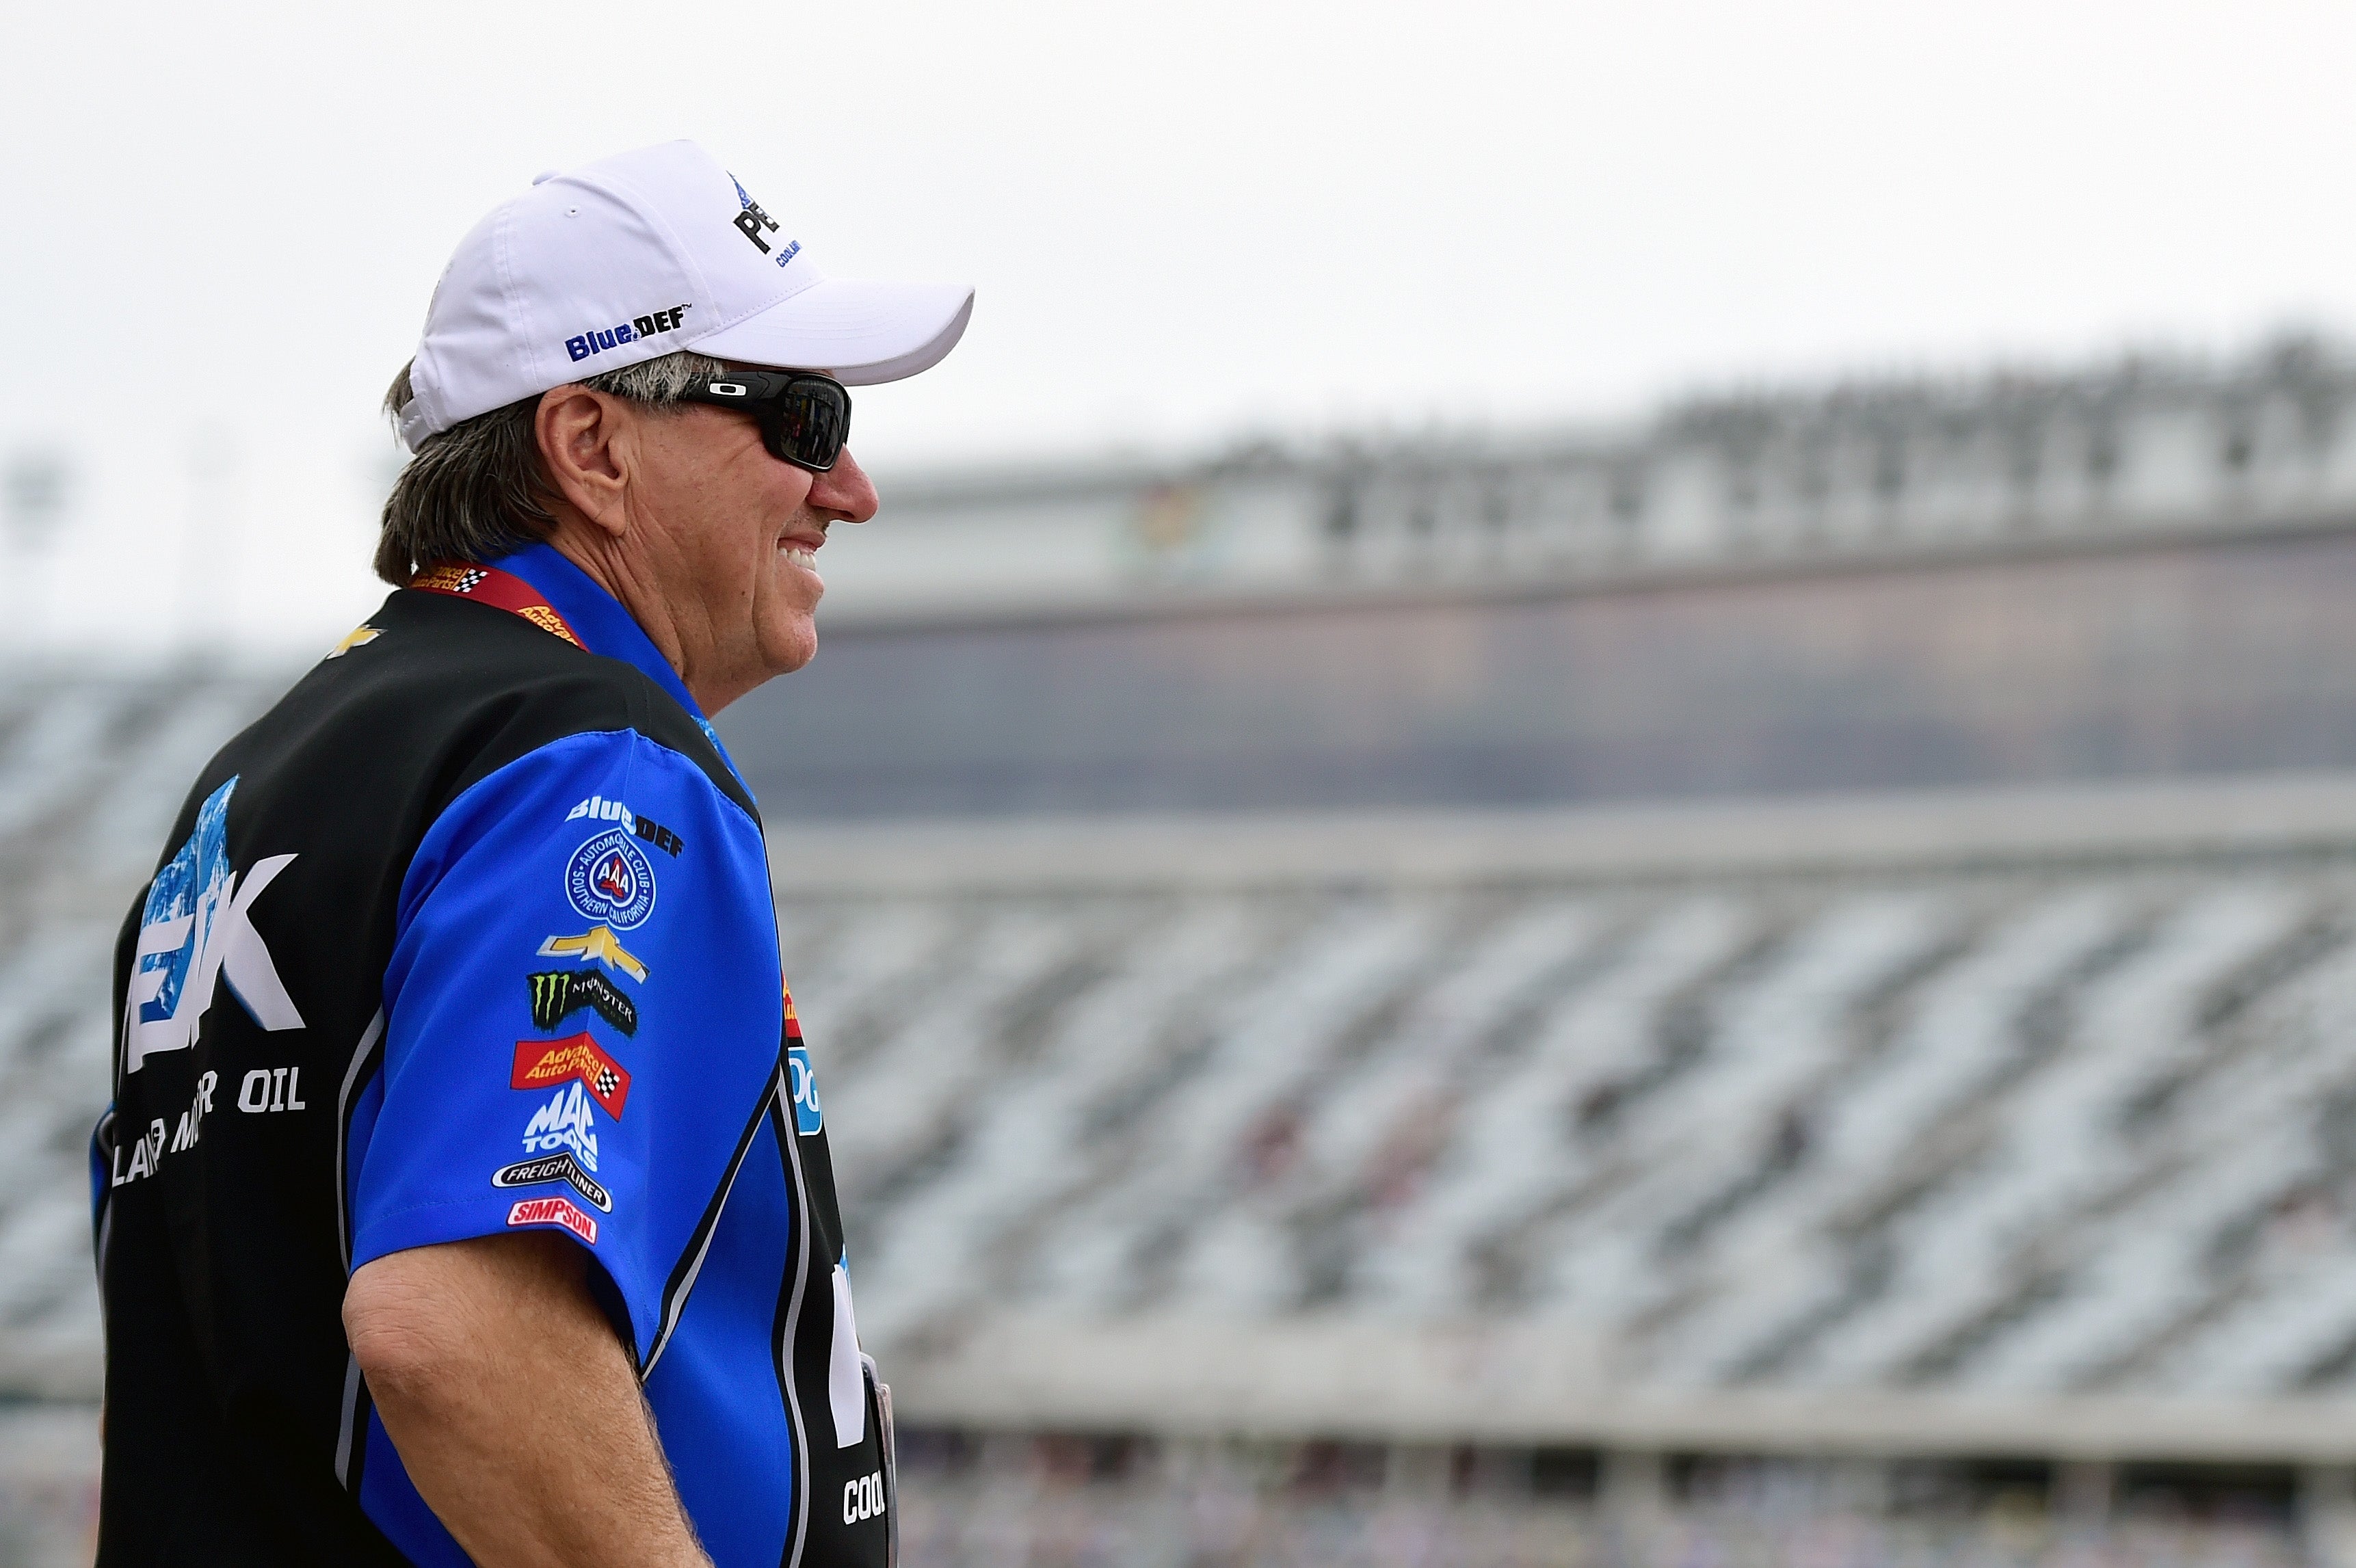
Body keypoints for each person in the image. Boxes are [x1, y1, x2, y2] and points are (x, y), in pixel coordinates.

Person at [91, 140, 971, 1567]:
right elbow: (457, 1327)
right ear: (590, 446)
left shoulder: (253, 781)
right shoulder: (586, 752)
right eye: (801, 418)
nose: (849, 487)